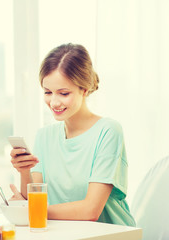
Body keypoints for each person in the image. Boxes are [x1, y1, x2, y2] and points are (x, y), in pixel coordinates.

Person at [10, 43, 135, 226]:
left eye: (63, 93)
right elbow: (34, 200)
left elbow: (91, 210)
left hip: (111, 234)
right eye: (47, 92)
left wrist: (31, 210)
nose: (54, 102)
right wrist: (24, 171)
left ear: (84, 89)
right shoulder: (44, 136)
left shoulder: (108, 131)